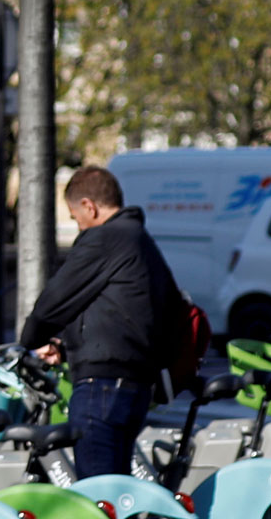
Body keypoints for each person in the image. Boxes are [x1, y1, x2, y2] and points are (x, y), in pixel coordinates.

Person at [19, 165, 181, 478]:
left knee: (97, 499)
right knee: (117, 492)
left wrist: (30, 341)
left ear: (89, 207)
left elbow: (53, 303)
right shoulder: (141, 241)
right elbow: (123, 313)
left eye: (73, 214)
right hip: (135, 385)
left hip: (101, 388)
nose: (76, 224)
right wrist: (64, 347)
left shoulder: (103, 239)